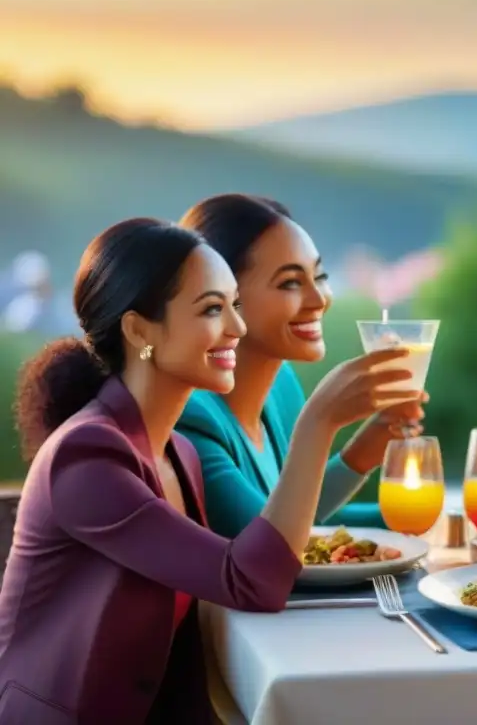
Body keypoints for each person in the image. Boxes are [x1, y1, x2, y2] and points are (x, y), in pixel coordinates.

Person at [0, 219, 412, 724]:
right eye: (213, 309)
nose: (238, 328)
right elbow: (251, 581)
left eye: (235, 305)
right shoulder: (86, 458)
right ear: (138, 331)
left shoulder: (176, 451)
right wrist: (318, 425)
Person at [176, 194, 425, 537]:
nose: (319, 298)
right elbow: (266, 546)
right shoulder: (190, 418)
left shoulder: (282, 386)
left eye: (319, 276)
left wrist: (362, 456)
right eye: (290, 282)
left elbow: (298, 514)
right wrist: (320, 421)